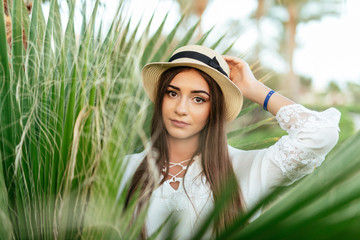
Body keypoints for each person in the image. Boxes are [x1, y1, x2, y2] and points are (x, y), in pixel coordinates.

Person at [120, 45, 340, 239]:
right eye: (172, 93)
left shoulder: (245, 169)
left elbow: (320, 133)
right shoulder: (124, 168)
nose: (181, 109)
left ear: (215, 108)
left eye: (198, 99)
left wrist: (254, 89)